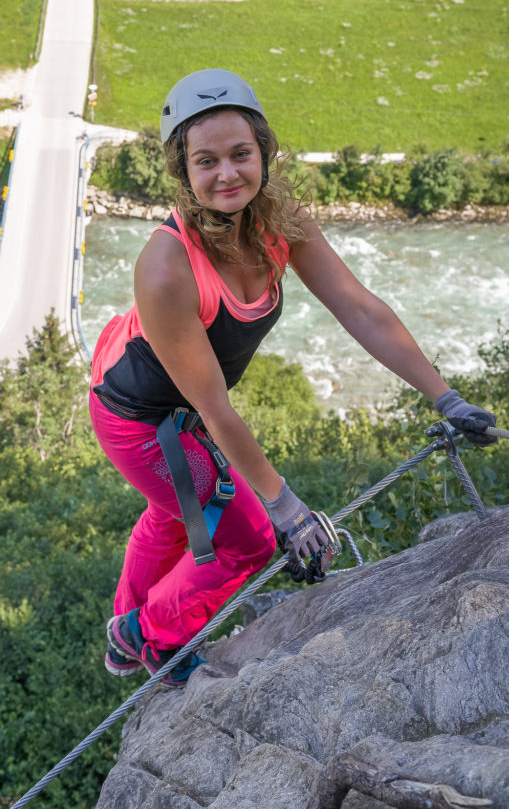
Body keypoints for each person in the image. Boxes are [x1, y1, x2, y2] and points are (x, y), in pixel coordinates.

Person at [89, 68, 496, 688]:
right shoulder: (168, 267)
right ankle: (148, 636)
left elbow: (358, 308)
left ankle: (125, 625)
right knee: (248, 540)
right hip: (142, 421)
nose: (227, 174)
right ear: (183, 172)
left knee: (176, 513)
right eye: (206, 162)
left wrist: (446, 396)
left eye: (240, 154)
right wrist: (288, 510)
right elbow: (217, 406)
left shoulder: (280, 220)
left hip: (182, 408)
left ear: (264, 153)